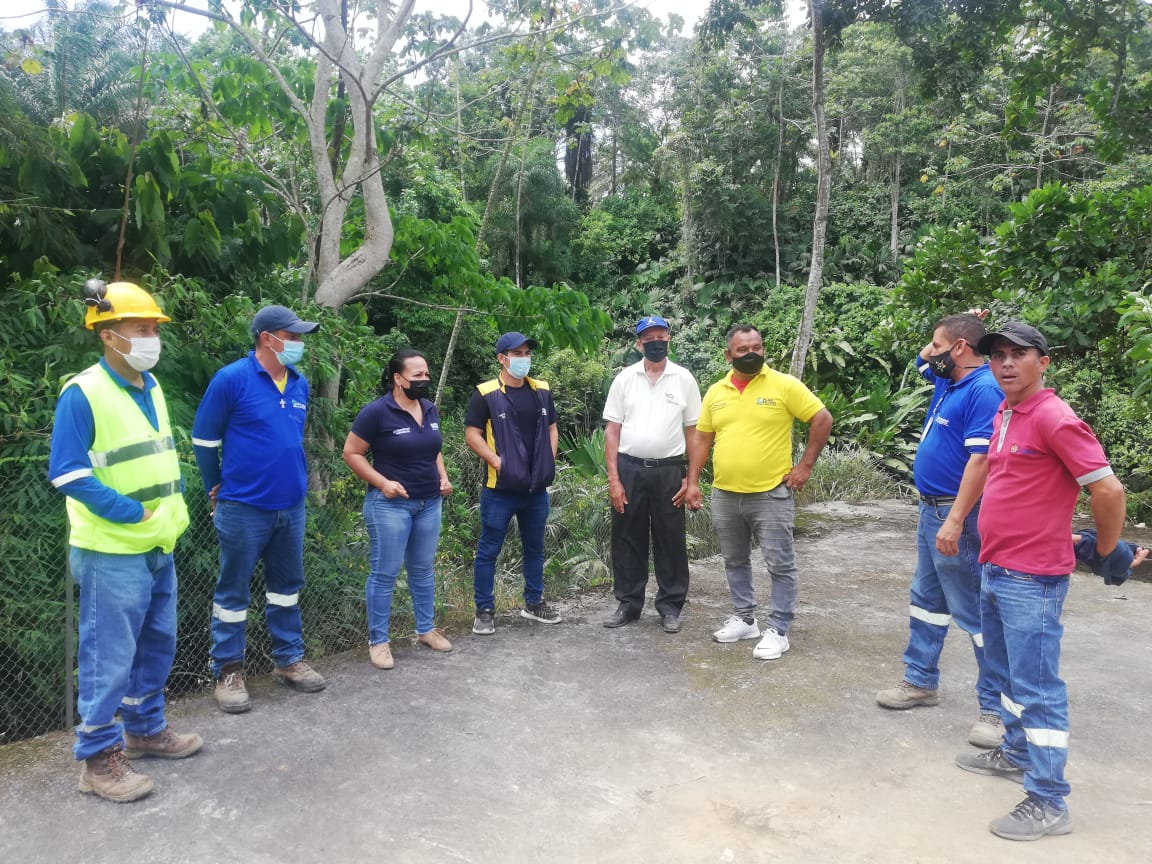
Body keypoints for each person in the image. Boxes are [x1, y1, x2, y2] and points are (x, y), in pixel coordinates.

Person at [954, 321, 1133, 841]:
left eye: (1019, 354)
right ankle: (1015, 751)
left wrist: (1105, 552)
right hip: (997, 565)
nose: (1007, 363)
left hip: (1031, 578)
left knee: (1037, 687)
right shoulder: (1007, 411)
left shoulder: (1054, 417)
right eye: (998, 355)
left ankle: (1049, 800)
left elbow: (1108, 490)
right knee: (1006, 674)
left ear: (1043, 361)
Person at [48, 279, 202, 802]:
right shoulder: (83, 393)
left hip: (159, 544)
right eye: (141, 328)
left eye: (155, 328)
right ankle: (97, 760)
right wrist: (131, 512)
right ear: (108, 335)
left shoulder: (150, 386)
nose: (152, 338)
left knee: (156, 644)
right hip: (111, 549)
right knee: (108, 657)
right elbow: (67, 473)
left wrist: (163, 519)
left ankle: (144, 729)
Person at [876, 313, 1007, 749]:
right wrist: (956, 329)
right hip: (930, 509)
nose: (929, 353)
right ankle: (920, 680)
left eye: (937, 344)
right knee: (927, 599)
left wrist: (954, 520)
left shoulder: (983, 390)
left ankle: (996, 709)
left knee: (974, 610)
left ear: (960, 349)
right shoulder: (948, 379)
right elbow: (921, 362)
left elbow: (981, 462)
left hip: (958, 514)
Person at [192, 304, 326, 714]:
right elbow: (204, 440)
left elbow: (289, 440)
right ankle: (228, 671)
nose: (299, 344)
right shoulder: (231, 379)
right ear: (267, 338)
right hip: (243, 506)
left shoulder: (299, 383)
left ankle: (288, 660)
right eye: (293, 336)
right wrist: (214, 486)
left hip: (291, 505)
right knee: (233, 591)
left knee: (286, 588)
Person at [685, 324, 833, 660]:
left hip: (771, 494)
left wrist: (805, 466)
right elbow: (702, 440)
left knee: (780, 564)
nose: (751, 354)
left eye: (757, 347)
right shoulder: (716, 392)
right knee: (734, 560)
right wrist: (691, 482)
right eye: (743, 350)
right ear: (728, 355)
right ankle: (745, 619)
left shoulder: (783, 384)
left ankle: (778, 630)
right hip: (725, 494)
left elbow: (822, 419)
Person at [342, 349, 454, 669]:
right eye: (417, 375)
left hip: (429, 502)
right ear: (397, 378)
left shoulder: (429, 408)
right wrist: (383, 483)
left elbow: (433, 449)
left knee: (422, 569)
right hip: (390, 506)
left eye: (426, 374)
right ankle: (378, 641)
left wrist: (443, 477)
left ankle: (426, 630)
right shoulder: (376, 412)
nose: (424, 380)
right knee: (385, 573)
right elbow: (351, 453)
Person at [602, 315, 702, 633]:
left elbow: (694, 433)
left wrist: (691, 479)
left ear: (669, 339)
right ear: (639, 343)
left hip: (669, 471)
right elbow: (612, 431)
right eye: (649, 338)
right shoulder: (624, 379)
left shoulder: (684, 379)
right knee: (626, 537)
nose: (656, 342)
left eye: (661, 336)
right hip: (629, 469)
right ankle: (628, 604)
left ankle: (670, 606)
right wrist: (614, 479)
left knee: (670, 538)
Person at [465, 332, 562, 635]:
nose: (524, 358)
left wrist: (549, 459)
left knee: (535, 548)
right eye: (517, 354)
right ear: (502, 358)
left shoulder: (542, 390)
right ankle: (484, 610)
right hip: (500, 490)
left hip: (536, 490)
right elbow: (472, 434)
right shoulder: (485, 393)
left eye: (527, 353)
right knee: (488, 550)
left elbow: (552, 428)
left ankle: (533, 603)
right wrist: (496, 461)